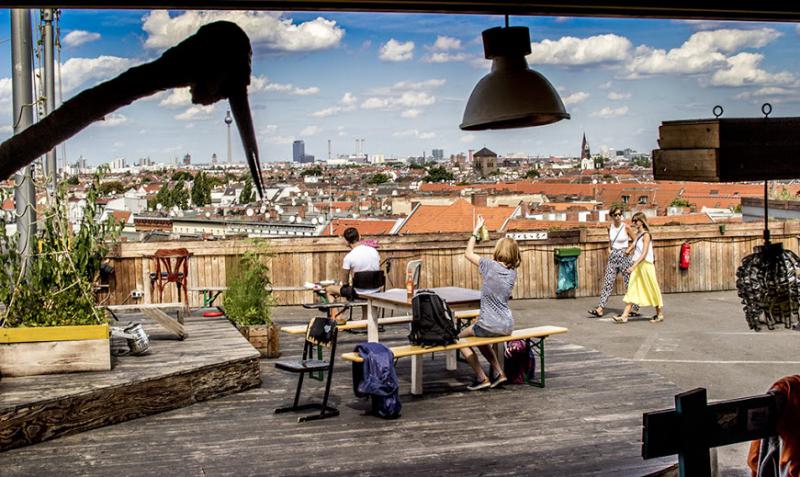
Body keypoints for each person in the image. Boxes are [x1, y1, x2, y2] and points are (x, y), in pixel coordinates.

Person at [460, 216, 520, 391]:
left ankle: (482, 377)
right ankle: (499, 372)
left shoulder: (489, 266)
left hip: (490, 324)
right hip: (507, 324)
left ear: (498, 250)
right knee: (478, 332)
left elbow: (468, 253)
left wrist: (475, 232)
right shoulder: (512, 273)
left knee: (460, 339)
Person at [588, 207, 640, 318]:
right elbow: (610, 240)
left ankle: (634, 308)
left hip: (624, 256)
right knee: (608, 282)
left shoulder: (626, 227)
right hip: (613, 256)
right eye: (615, 215)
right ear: (611, 216)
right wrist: (609, 248)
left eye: (619, 214)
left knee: (628, 283)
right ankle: (600, 308)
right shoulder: (609, 227)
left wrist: (628, 250)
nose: (617, 217)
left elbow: (636, 240)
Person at [613, 212, 664, 323]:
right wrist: (626, 252)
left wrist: (633, 266)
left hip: (645, 265)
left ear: (642, 221)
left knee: (652, 288)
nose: (634, 223)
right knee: (632, 289)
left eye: (636, 221)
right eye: (633, 221)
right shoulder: (639, 234)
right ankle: (624, 316)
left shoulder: (646, 235)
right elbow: (633, 245)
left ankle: (659, 314)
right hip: (637, 264)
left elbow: (644, 253)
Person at [324, 227, 381, 322]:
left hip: (359, 291)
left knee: (329, 289)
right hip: (375, 289)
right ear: (359, 236)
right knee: (363, 289)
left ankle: (337, 318)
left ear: (346, 242)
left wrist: (345, 287)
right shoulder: (374, 251)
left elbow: (345, 281)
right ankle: (365, 320)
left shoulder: (349, 257)